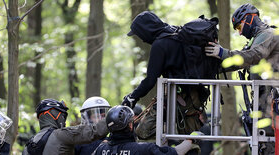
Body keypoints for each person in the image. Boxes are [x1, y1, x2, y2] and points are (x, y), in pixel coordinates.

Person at [122, 11, 216, 137]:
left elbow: (150, 80)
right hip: (193, 97)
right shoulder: (176, 33)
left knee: (142, 131)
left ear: (146, 30)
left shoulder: (160, 44)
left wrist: (132, 97)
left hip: (176, 97)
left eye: (140, 34)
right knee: (190, 140)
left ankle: (167, 140)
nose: (142, 39)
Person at [205, 3, 279, 154]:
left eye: (239, 27)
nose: (239, 33)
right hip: (263, 105)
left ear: (249, 19)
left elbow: (253, 56)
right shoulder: (257, 39)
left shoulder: (270, 34)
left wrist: (222, 53)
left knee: (269, 146)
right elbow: (238, 62)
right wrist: (209, 68)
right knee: (262, 146)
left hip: (271, 106)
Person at [92, 105, 202, 155]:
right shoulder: (144, 149)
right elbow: (177, 152)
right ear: (130, 126)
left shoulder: (100, 149)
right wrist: (191, 139)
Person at [23, 98, 109, 155]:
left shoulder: (29, 144)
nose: (64, 119)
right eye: (62, 115)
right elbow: (95, 131)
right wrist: (117, 114)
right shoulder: (62, 135)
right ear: (55, 115)